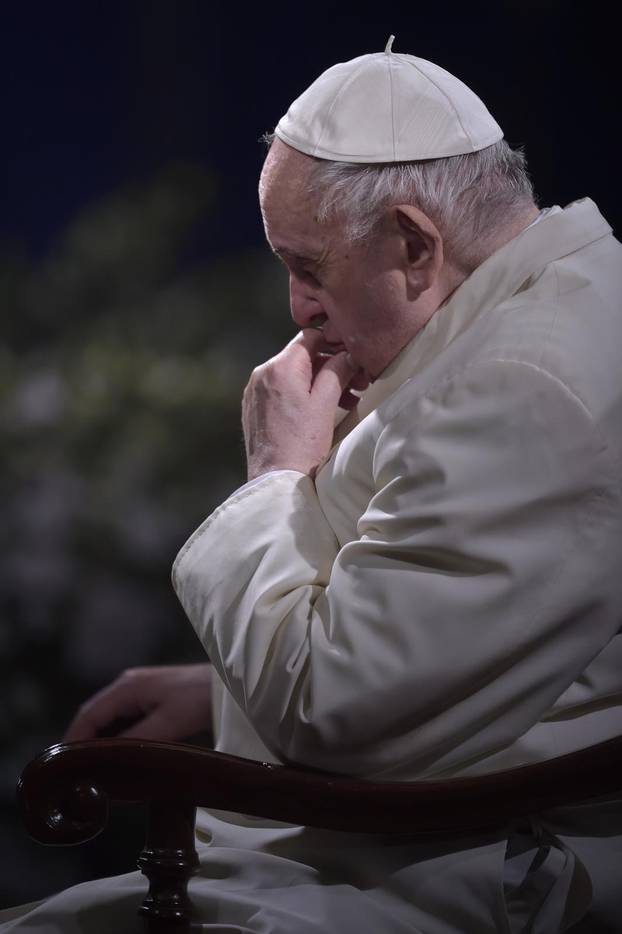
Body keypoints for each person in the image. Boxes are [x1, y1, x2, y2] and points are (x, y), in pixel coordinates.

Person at [3, 39, 622, 933]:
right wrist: (224, 698)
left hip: (434, 869)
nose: (297, 307)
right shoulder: (550, 299)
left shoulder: (531, 383)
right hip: (408, 831)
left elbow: (332, 714)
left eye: (310, 267)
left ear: (415, 243)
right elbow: (450, 652)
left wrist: (276, 476)